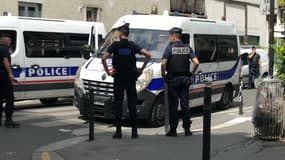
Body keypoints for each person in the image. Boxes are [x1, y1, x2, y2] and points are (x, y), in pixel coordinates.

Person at [102, 23, 151, 139]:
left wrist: (109, 72)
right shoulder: (132, 45)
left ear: (120, 34)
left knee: (118, 104)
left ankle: (118, 132)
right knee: (132, 104)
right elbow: (148, 55)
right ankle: (134, 132)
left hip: (118, 78)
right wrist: (141, 69)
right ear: (127, 34)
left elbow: (104, 58)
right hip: (130, 79)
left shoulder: (115, 45)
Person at [161, 27, 199, 137]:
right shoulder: (187, 48)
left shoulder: (169, 48)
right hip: (185, 79)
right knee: (185, 105)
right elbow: (196, 62)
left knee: (173, 105)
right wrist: (192, 73)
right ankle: (187, 129)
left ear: (173, 36)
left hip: (173, 80)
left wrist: (164, 74)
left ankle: (173, 130)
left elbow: (163, 63)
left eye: (170, 36)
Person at [0, 33, 20, 128]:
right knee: (9, 97)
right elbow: (5, 61)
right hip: (3, 75)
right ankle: (9, 120)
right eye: (8, 40)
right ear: (2, 39)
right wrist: (10, 74)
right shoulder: (4, 49)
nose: (10, 42)